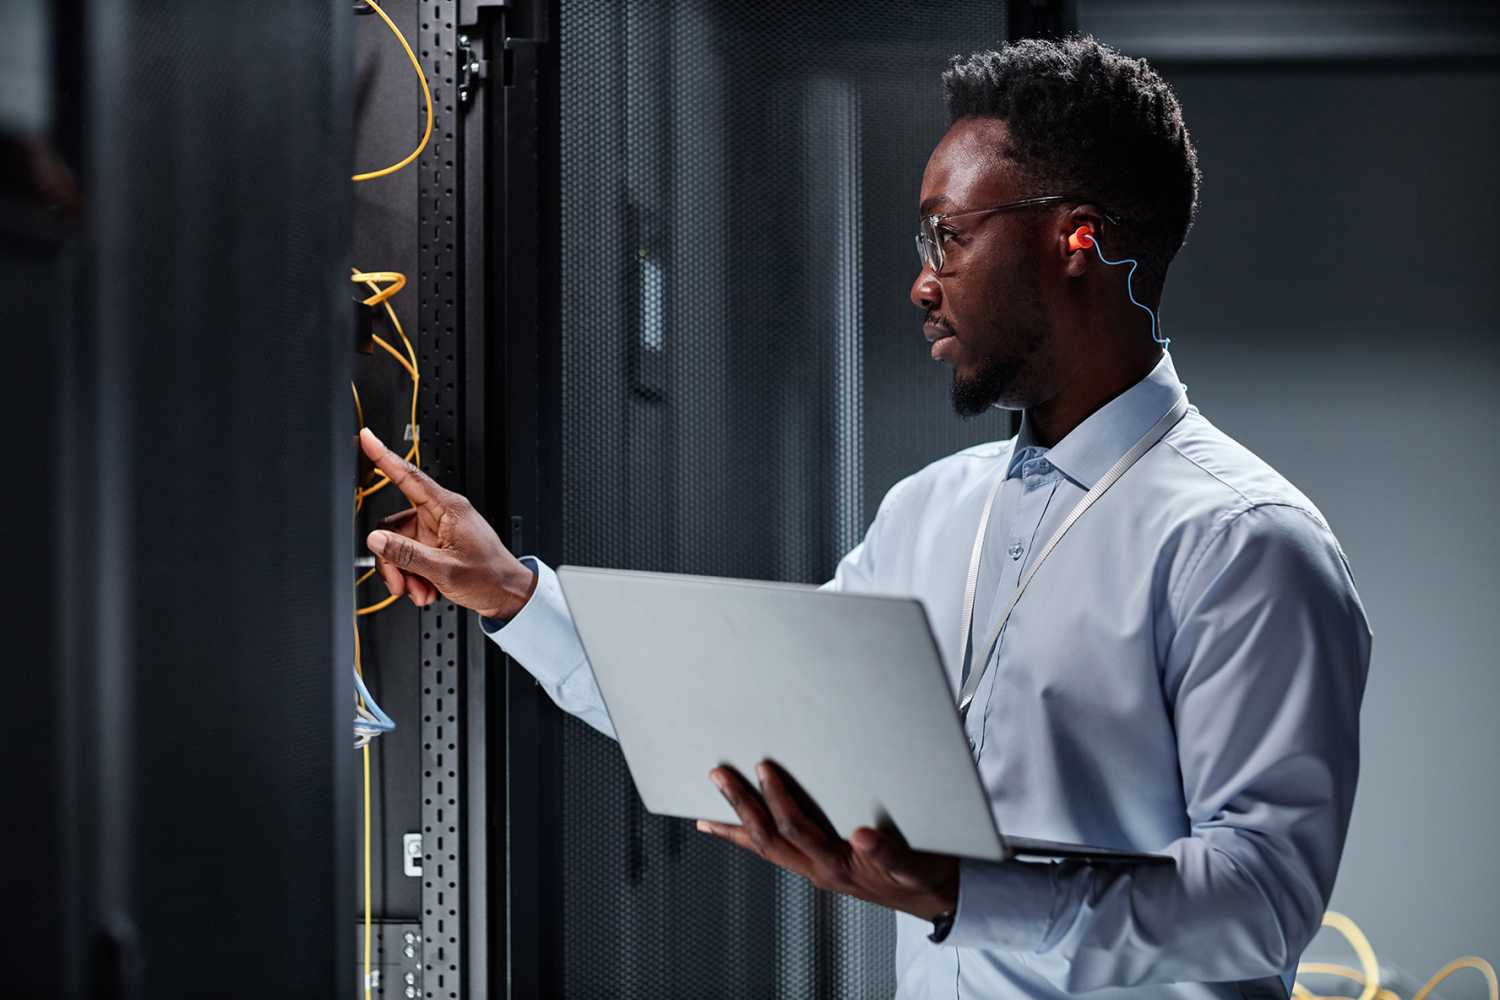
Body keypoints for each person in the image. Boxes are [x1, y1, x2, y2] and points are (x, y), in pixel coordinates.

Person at [358, 34, 1371, 1000]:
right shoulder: (928, 512)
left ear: (1080, 238)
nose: (922, 282)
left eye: (950, 235)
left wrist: (963, 893)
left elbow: (1264, 897)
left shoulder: (1243, 542)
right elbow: (741, 714)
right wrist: (514, 594)